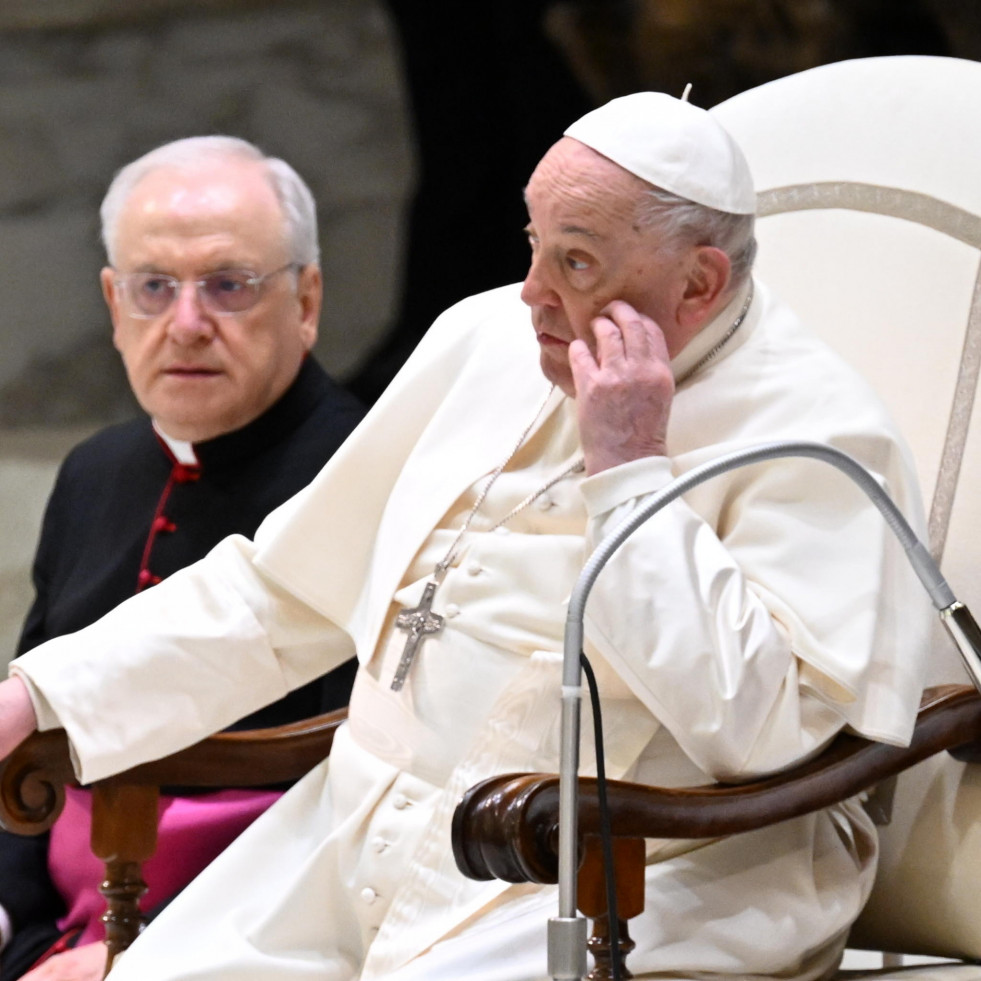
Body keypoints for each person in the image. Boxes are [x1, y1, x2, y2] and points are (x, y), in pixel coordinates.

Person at [0, 93, 931, 980]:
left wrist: (630, 467)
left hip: (630, 879)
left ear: (698, 282)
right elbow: (280, 592)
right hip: (357, 835)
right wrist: (41, 692)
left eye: (576, 262)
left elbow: (757, 736)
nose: (529, 294)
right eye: (533, 245)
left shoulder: (820, 433)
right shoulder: (479, 337)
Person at [0, 136, 364, 981]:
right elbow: (25, 759)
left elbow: (350, 797)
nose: (187, 323)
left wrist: (139, 950)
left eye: (229, 285)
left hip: (246, 947)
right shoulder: (96, 472)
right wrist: (15, 919)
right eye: (153, 287)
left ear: (306, 299)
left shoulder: (362, 480)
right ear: (111, 303)